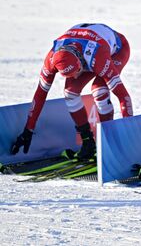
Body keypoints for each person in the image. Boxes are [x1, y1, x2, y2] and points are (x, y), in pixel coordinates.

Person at [10, 23, 133, 160]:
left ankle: (108, 144)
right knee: (70, 93)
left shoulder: (98, 56)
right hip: (85, 49)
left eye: (77, 72)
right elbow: (40, 94)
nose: (75, 77)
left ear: (80, 62)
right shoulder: (51, 59)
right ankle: (88, 143)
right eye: (69, 76)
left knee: (99, 90)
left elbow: (123, 96)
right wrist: (28, 129)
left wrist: (128, 131)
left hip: (116, 49)